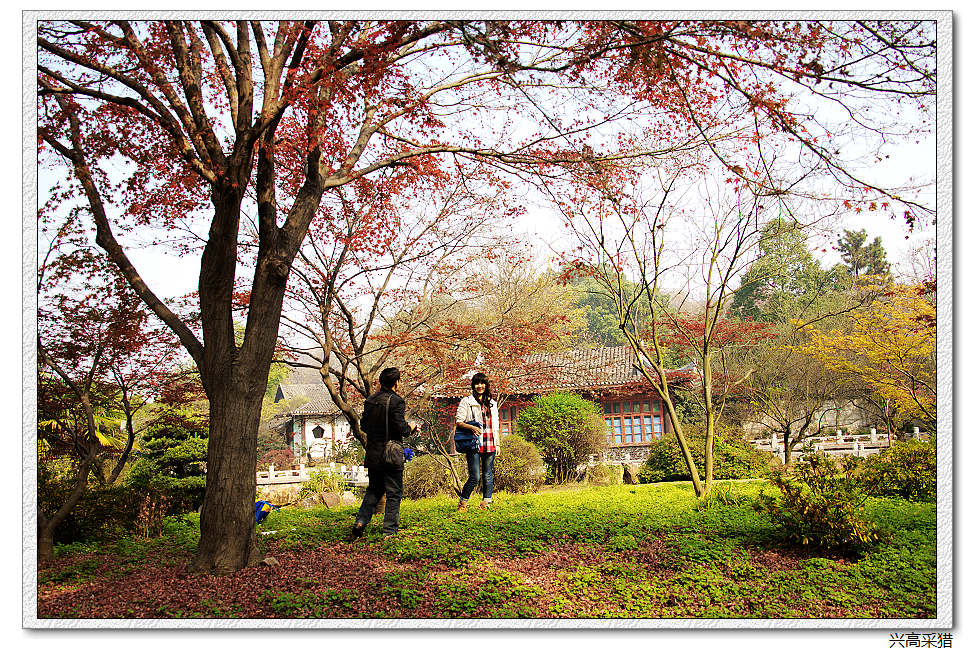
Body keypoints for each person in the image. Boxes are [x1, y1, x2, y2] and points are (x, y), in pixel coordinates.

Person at [351, 367, 416, 539]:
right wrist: (411, 426)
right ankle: (389, 531)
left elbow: (363, 426)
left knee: (374, 489)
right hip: (390, 454)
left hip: (373, 453)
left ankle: (360, 522)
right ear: (396, 383)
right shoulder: (396, 401)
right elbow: (401, 429)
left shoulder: (371, 400)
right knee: (394, 492)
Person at [455, 372, 500, 511]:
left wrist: (497, 444)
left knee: (487, 475)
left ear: (486, 385)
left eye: (482, 383)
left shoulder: (492, 403)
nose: (480, 386)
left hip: (489, 441)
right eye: (477, 383)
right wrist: (472, 427)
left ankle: (486, 502)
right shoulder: (467, 401)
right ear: (473, 385)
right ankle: (463, 502)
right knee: (474, 476)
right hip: (474, 442)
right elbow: (459, 422)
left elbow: (496, 425)